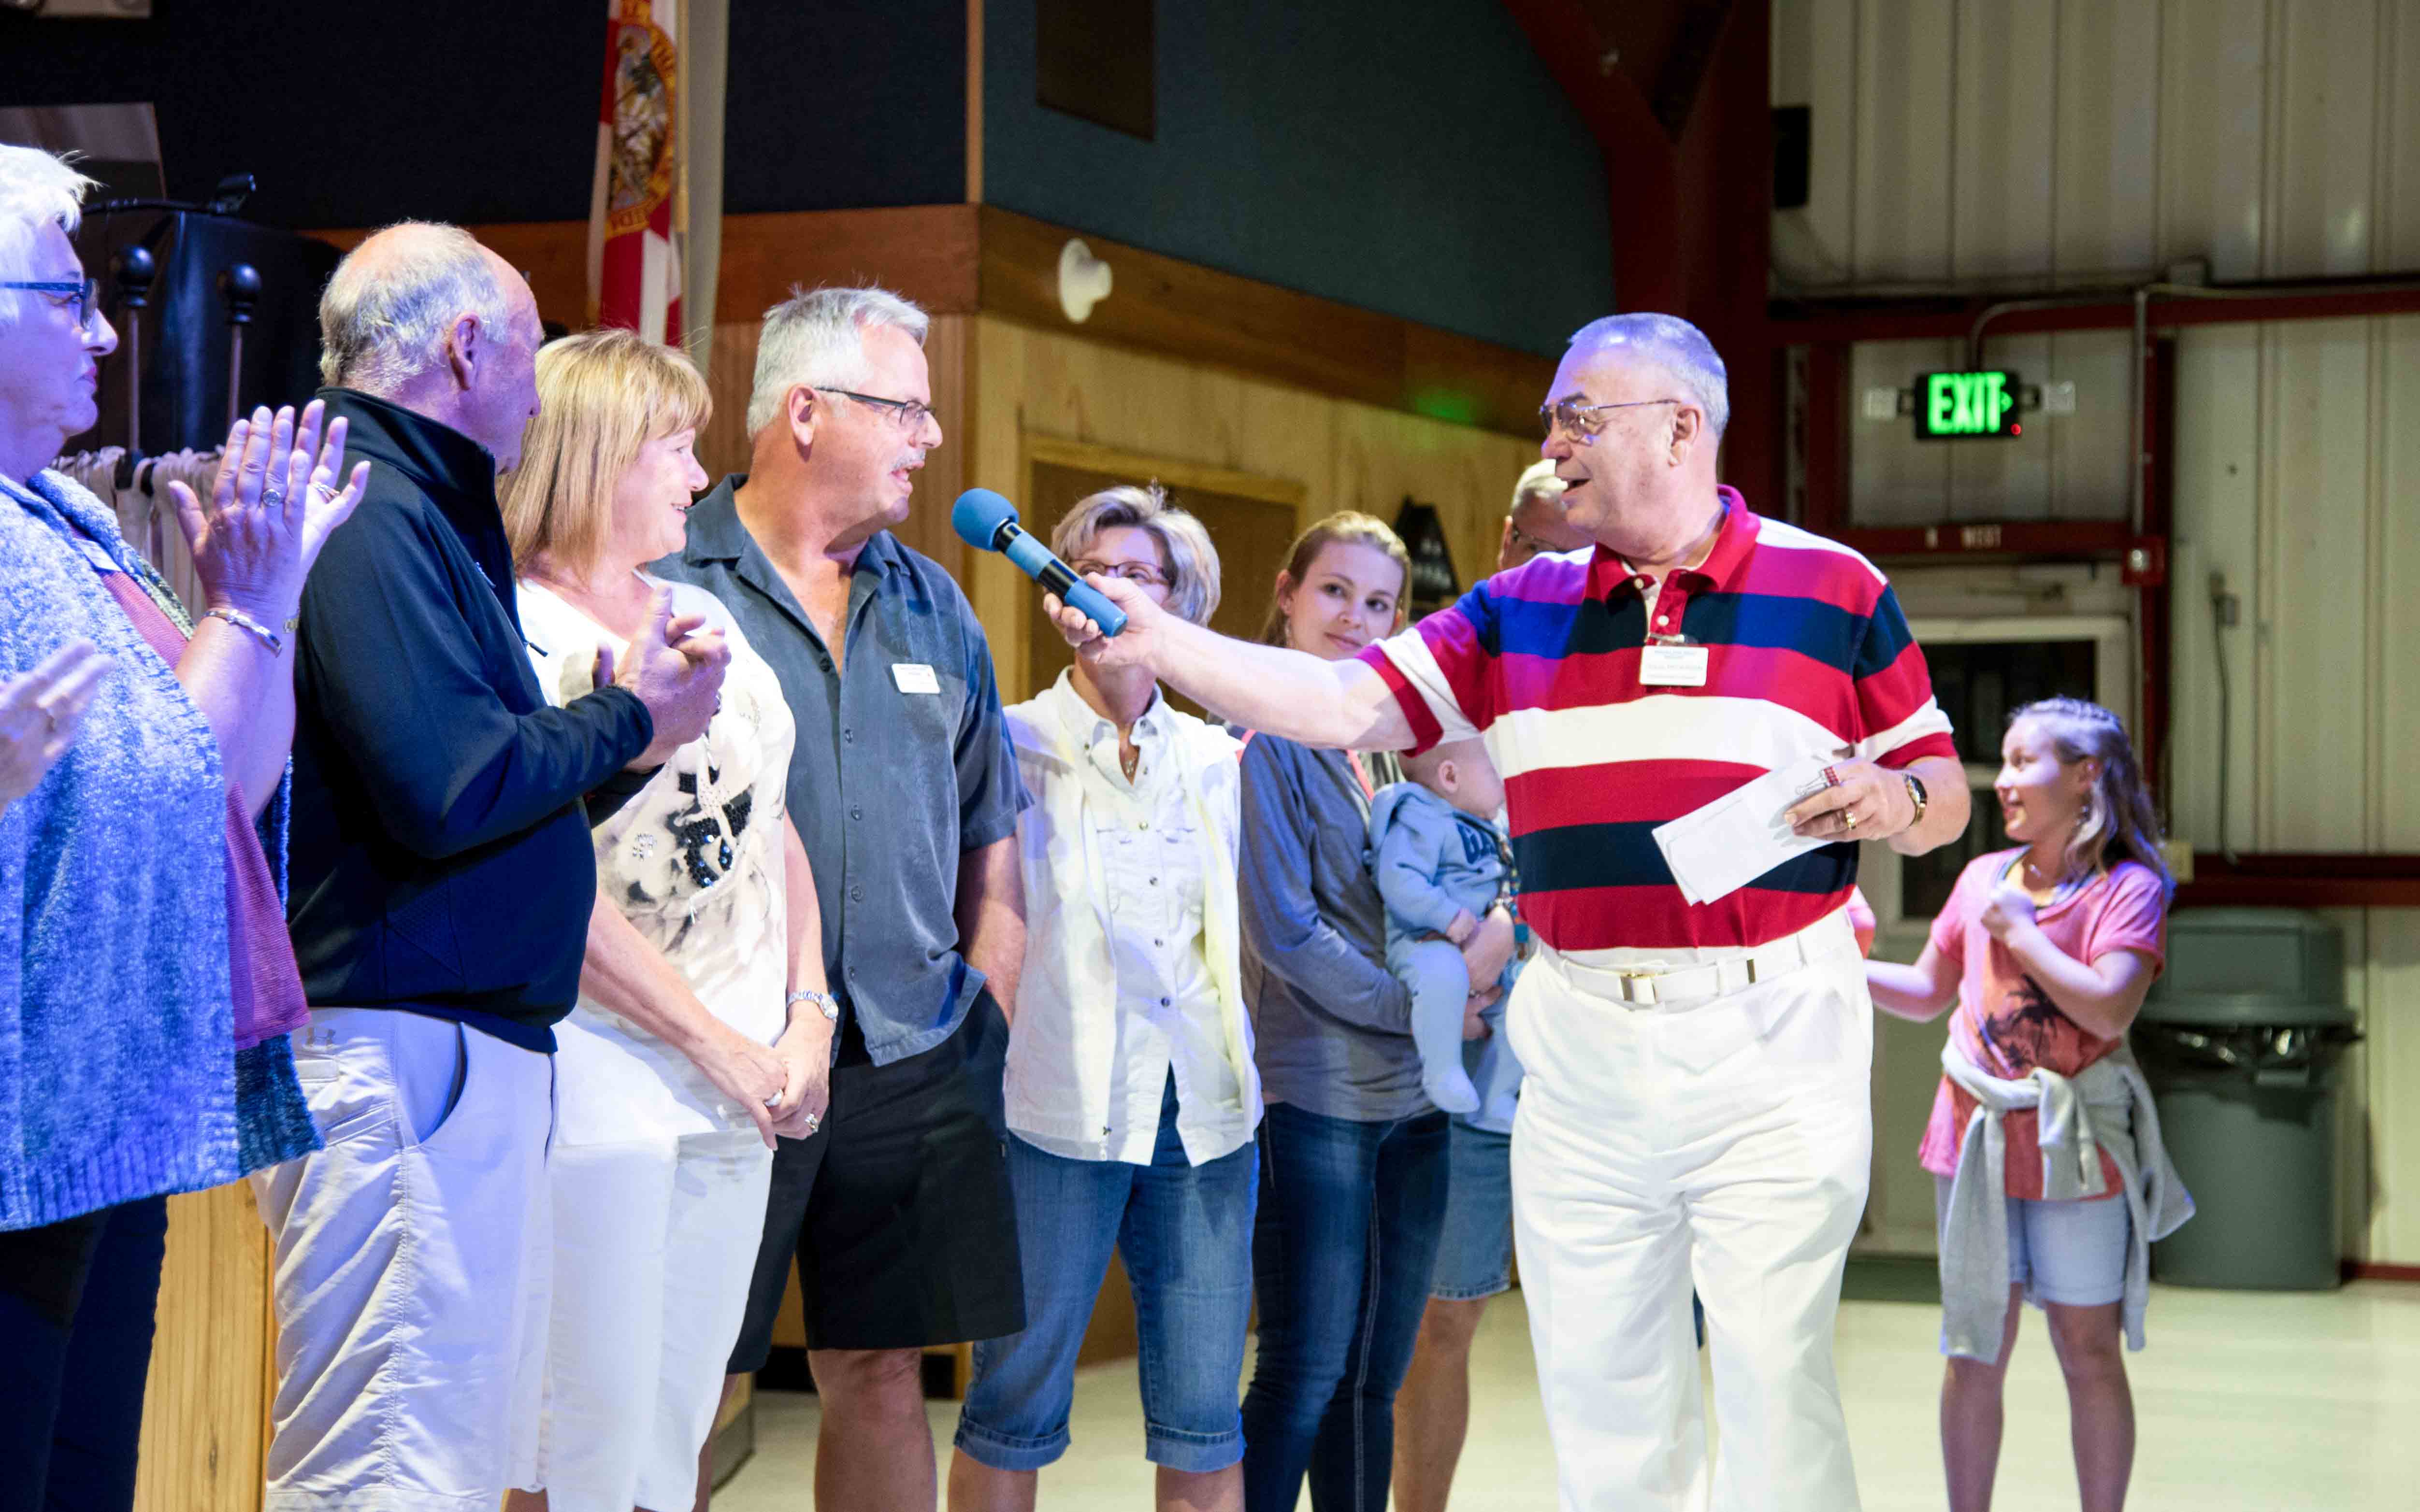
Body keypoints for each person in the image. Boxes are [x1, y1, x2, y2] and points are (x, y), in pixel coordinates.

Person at [1044, 311, 1973, 1512]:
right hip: (1581, 1042)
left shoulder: (1833, 585)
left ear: (1679, 426)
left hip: (1772, 1034)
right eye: (1550, 419)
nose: (1551, 443)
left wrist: (1896, 797)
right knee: (1603, 1397)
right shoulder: (1513, 606)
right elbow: (1336, 701)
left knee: (1773, 1382)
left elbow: (1942, 787)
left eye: (1577, 417)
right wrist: (1159, 636)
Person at [258, 223, 730, 1512]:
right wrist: (628, 718)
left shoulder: (423, 507)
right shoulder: (370, 503)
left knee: (443, 1461)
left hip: (450, 1055)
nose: (541, 387)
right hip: (407, 1054)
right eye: (532, 348)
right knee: (389, 1470)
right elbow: (444, 784)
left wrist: (628, 742)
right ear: (466, 347)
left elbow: (477, 792)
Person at [0, 143, 366, 1512]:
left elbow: (215, 794)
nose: (106, 334)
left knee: (85, 1478)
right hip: (24, 1117)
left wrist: (265, 604)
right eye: (69, 299)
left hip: (104, 1109)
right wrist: (248, 610)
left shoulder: (66, 515)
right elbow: (155, 787)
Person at [654, 285, 1027, 1512]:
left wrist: (983, 1021)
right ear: (805, 412)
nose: (931, 435)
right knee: (680, 1379)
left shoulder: (934, 602)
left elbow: (991, 838)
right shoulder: (668, 574)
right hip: (717, 1053)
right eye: (904, 409)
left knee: (880, 1370)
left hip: (911, 1059)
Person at [497, 329, 836, 1512]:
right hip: (599, 1080)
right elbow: (548, 882)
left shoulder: (700, 608)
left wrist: (808, 1013)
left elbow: (769, 823)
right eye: (676, 449)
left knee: (673, 1434)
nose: (700, 478)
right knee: (574, 1441)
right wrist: (714, 1041)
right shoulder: (512, 630)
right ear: (597, 455)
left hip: (739, 1085)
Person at [950, 485, 1258, 1512]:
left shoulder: (1217, 757)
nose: (1108, 589)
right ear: (1055, 593)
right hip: (1053, 1109)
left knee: (1205, 1414)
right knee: (1011, 1402)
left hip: (1204, 1116)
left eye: (1137, 574)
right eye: (1090, 569)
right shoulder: (1009, 741)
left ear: (1180, 602)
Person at [1224, 512, 1512, 1512]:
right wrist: (1424, 1011)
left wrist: (1486, 944)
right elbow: (1286, 936)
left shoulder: (1385, 745)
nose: (1355, 617)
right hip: (1318, 1101)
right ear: (1286, 594)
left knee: (1370, 1385)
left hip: (1412, 1107)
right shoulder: (1263, 743)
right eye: (1335, 591)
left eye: (1378, 602)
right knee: (1302, 1373)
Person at [1865, 698, 2191, 1512]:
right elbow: (1925, 992)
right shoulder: (1982, 879)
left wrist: (2023, 932)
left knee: (2087, 1346)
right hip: (1972, 1133)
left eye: (2022, 762)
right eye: (2002, 762)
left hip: (2074, 1146)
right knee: (1973, 1346)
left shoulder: (2127, 888)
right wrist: (1831, 962)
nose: (2002, 782)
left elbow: (2108, 1009)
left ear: (2085, 777)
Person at [1391, 457, 1588, 1512]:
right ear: (1507, 544)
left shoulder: (1624, 691)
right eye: (1549, 551)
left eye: (1590, 559)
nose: (1569, 579)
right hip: (1465, 1067)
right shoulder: (1440, 686)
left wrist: (1514, 916)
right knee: (1444, 1313)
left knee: (1602, 1326)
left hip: (1593, 1068)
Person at [1368, 737, 1520, 1121]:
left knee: (1521, 1009)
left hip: (1486, 947)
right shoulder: (1421, 817)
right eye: (1494, 769)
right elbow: (1398, 878)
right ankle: (1442, 1071)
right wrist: (1447, 915)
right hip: (1423, 942)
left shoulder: (1490, 822)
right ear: (1450, 776)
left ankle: (1496, 1095)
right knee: (1443, 974)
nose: (1504, 778)